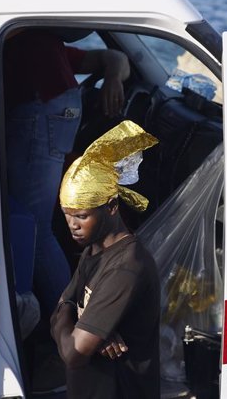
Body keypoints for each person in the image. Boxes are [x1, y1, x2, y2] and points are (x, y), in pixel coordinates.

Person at [4, 28, 130, 321]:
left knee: (33, 230)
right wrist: (112, 74)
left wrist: (113, 78)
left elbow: (117, 59)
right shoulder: (46, 45)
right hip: (56, 112)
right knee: (36, 228)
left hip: (39, 111)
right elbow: (115, 56)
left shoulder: (26, 44)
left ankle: (75, 324)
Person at [50, 120, 160, 399]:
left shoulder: (126, 267)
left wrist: (71, 314)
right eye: (67, 214)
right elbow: (63, 306)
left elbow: (74, 353)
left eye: (82, 216)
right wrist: (80, 320)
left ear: (112, 207)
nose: (72, 224)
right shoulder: (94, 249)